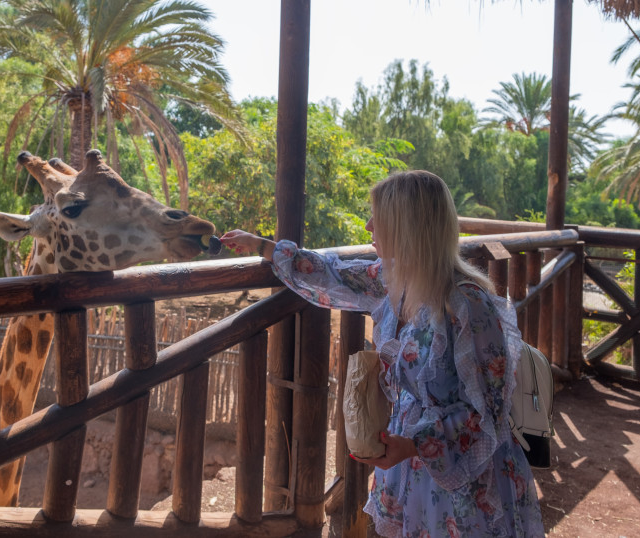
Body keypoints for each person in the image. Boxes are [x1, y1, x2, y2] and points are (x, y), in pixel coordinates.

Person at [220, 170, 544, 537]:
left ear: (409, 228)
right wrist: (264, 247)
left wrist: (415, 444)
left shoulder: (468, 306)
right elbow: (331, 273)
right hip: (412, 462)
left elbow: (488, 412)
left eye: (379, 217)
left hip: (466, 476)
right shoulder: (395, 282)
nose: (368, 225)